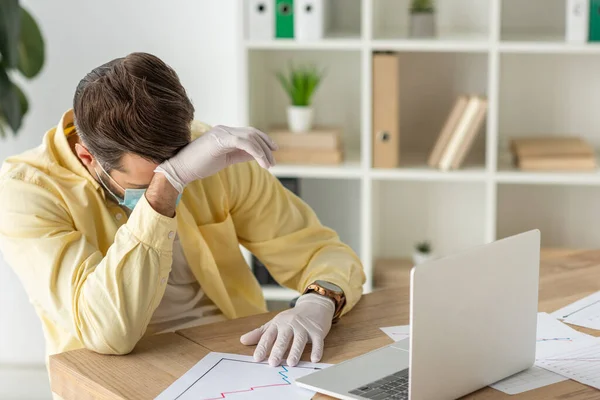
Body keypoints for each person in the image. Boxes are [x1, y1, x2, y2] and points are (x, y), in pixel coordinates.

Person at [0, 53, 365, 371]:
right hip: (115, 372)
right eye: (147, 182)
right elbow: (110, 333)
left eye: (176, 165)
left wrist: (318, 300)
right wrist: (166, 188)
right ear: (87, 158)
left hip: (233, 354)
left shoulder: (208, 156)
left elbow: (319, 251)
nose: (177, 177)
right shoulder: (26, 191)